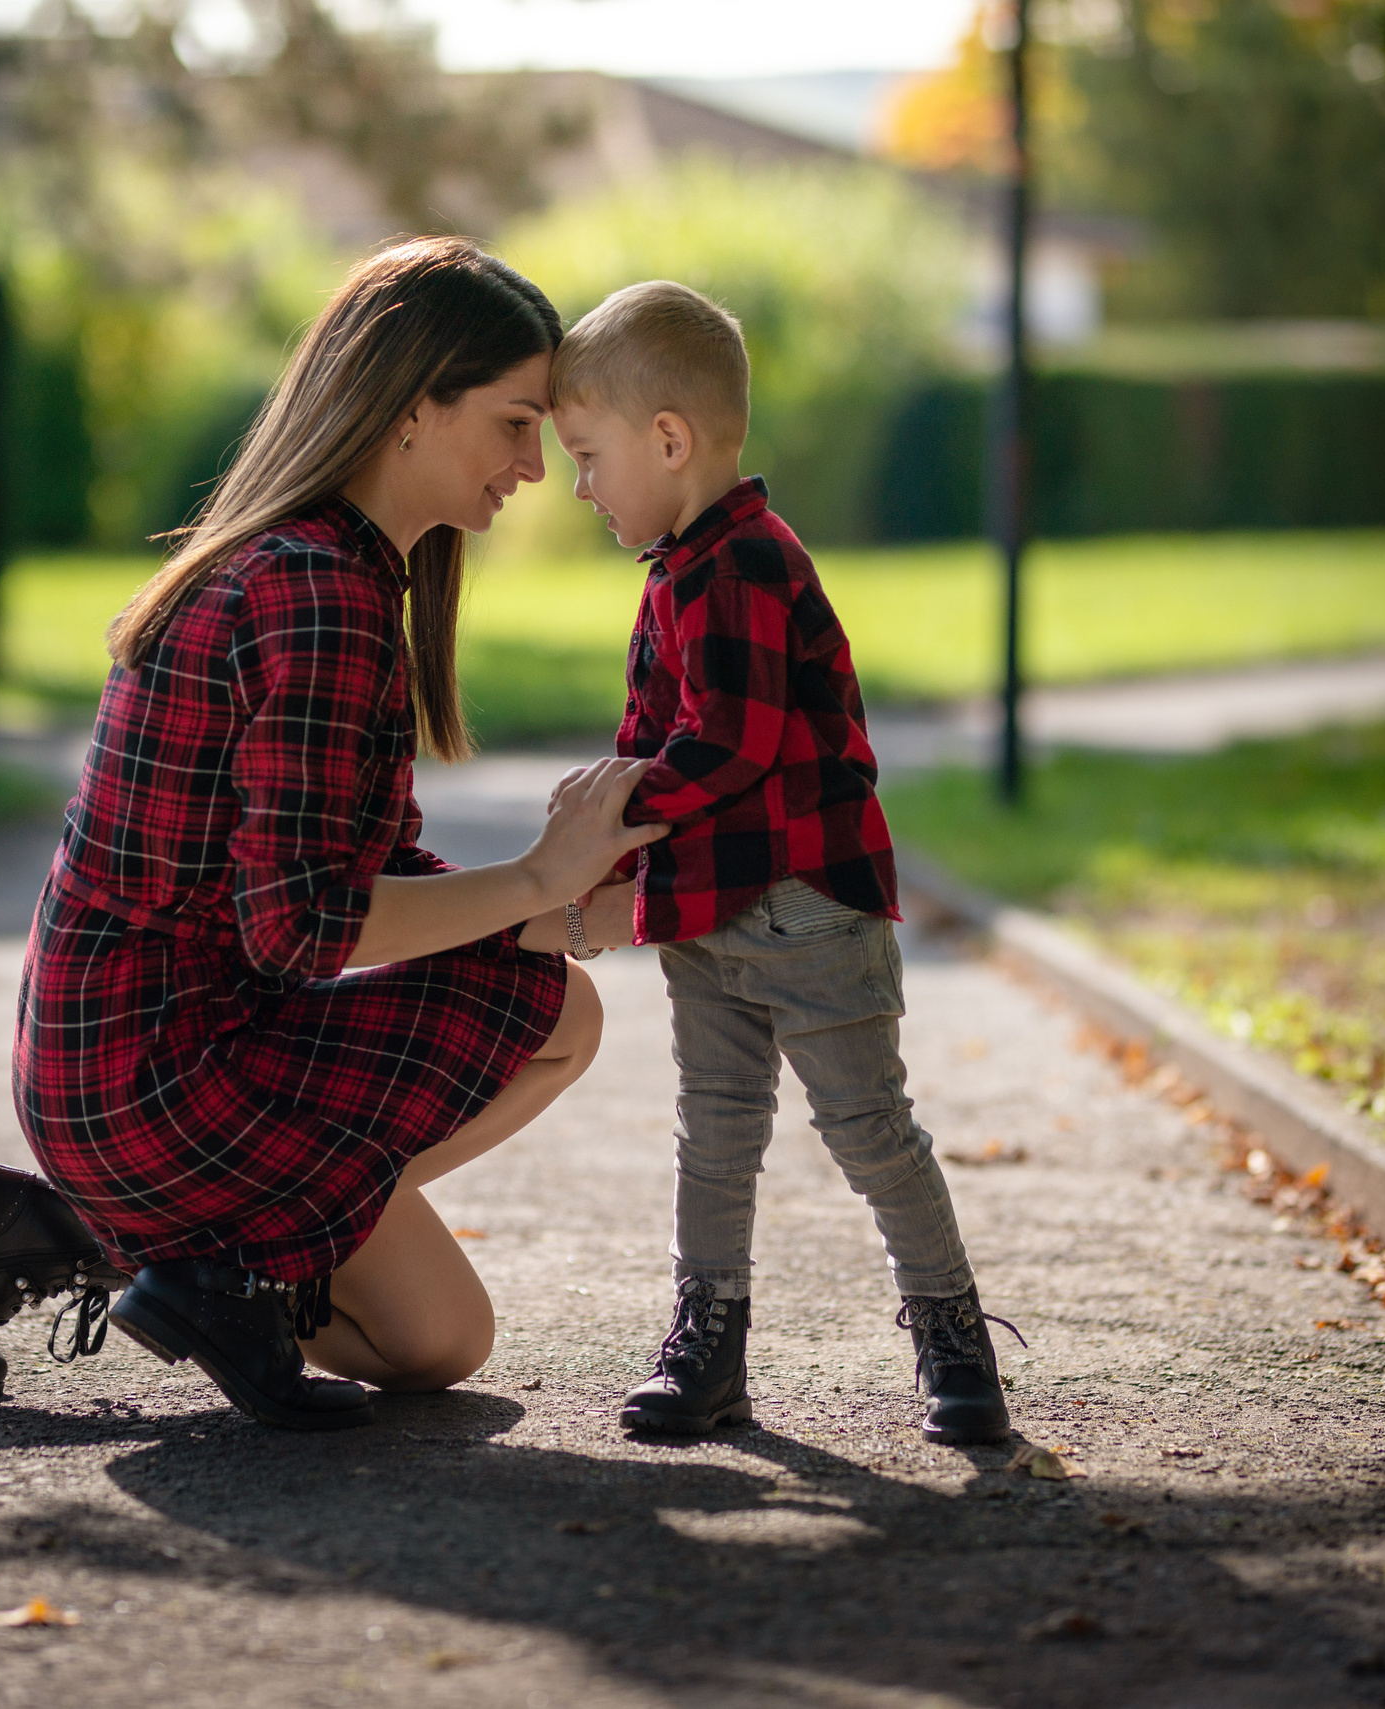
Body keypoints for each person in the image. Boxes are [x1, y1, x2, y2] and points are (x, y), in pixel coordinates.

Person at [0, 237, 664, 1432]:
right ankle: (202, 1259)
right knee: (554, 1012)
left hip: (110, 1062)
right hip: (159, 1069)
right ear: (415, 406)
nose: (533, 466)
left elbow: (366, 871)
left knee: (436, 1344)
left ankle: (88, 1237)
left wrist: (584, 907)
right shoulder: (317, 592)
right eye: (515, 421)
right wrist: (538, 878)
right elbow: (308, 925)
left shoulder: (324, 564)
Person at [546, 281, 1020, 1445]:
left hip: (804, 905)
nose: (578, 483)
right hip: (709, 912)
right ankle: (708, 1343)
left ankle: (952, 1331)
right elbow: (672, 734)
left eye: (588, 454)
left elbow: (730, 741)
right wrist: (626, 867)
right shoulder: (676, 567)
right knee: (713, 1130)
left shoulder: (743, 563)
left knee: (867, 1126)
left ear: (670, 439)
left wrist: (615, 814)